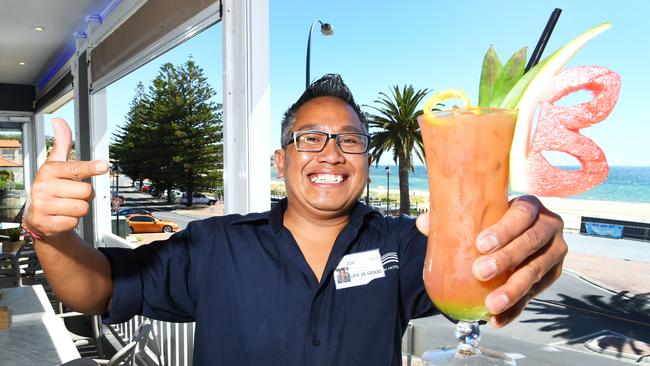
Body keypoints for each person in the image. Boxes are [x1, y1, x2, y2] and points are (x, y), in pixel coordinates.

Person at [24, 74, 567, 365]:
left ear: (366, 160)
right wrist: (52, 235)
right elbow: (96, 290)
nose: (330, 154)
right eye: (310, 139)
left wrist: (528, 242)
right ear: (280, 161)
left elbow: (481, 272)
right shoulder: (214, 246)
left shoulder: (404, 245)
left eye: (349, 140)